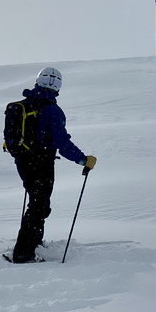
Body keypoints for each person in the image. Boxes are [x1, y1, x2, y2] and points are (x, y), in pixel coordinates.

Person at [10, 67, 97, 263]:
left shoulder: (23, 106)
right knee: (38, 206)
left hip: (23, 161)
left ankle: (34, 244)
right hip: (42, 162)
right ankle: (23, 253)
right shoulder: (51, 110)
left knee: (37, 203)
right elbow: (62, 143)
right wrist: (83, 160)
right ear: (57, 86)